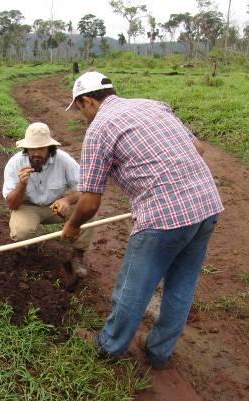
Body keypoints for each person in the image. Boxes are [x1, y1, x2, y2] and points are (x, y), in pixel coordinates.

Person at [61, 71, 224, 368]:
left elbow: (90, 201)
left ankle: (108, 347)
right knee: (182, 285)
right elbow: (198, 149)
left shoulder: (99, 128)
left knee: (132, 288)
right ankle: (159, 352)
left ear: (87, 101)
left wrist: (72, 226)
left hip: (164, 215)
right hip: (207, 204)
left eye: (80, 108)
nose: (82, 116)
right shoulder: (152, 105)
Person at [3, 122, 94, 277]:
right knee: (21, 232)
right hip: (28, 207)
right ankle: (28, 249)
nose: (36, 153)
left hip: (56, 206)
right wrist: (21, 185)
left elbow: (86, 189)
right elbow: (11, 204)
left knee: (89, 209)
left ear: (50, 149)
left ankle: (77, 255)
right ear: (26, 148)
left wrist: (67, 200)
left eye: (41, 148)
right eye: (32, 148)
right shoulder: (15, 163)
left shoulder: (63, 160)